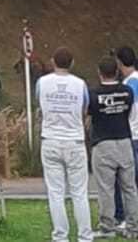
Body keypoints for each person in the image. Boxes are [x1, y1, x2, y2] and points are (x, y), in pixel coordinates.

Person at [37, 46, 93, 242]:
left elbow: (41, 106)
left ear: (53, 62)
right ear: (72, 63)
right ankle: (85, 236)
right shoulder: (80, 85)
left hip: (50, 139)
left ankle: (60, 236)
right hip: (74, 140)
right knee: (79, 193)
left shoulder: (42, 83)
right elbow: (85, 110)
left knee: (55, 193)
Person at [89, 56, 138, 239]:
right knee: (130, 187)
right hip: (124, 141)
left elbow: (88, 114)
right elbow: (129, 113)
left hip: (103, 143)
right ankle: (133, 228)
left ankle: (107, 227)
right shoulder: (127, 91)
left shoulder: (93, 93)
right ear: (116, 71)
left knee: (106, 188)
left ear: (99, 72)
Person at [115, 47, 138, 230]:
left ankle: (124, 217)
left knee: (126, 181)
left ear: (120, 63)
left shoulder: (127, 85)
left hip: (131, 135)